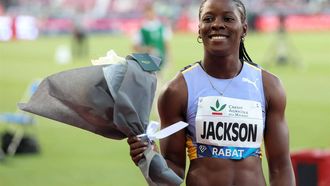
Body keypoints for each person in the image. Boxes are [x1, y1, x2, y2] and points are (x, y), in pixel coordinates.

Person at [127, 0, 295, 185]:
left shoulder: (268, 86)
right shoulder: (177, 90)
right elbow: (173, 170)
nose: (217, 24)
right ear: (199, 29)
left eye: (228, 18)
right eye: (208, 18)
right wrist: (150, 157)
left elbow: (281, 166)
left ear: (244, 28)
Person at [132, 4, 172, 68]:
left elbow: (166, 44)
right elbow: (135, 46)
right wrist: (146, 49)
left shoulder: (162, 27)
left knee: (159, 77)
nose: (149, 14)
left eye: (151, 12)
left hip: (160, 60)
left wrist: (169, 58)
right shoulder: (141, 28)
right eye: (147, 13)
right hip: (146, 61)